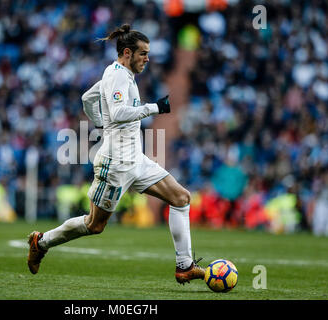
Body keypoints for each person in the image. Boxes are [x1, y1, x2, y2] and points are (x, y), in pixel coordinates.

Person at [27, 24, 205, 284]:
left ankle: (184, 265)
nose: (147, 58)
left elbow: (88, 98)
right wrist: (154, 108)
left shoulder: (119, 74)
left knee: (180, 198)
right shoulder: (118, 75)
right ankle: (41, 242)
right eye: (143, 53)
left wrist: (101, 121)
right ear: (126, 53)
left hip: (136, 159)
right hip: (116, 163)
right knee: (94, 225)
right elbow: (120, 113)